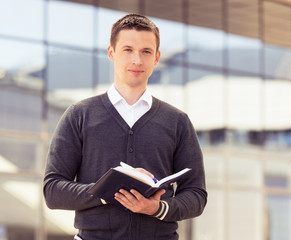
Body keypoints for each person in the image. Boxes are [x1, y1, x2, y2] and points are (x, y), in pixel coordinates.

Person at [43, 13, 207, 240]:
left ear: (157, 57)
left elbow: (197, 195)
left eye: (146, 52)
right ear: (112, 53)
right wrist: (108, 190)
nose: (137, 60)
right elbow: (52, 191)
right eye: (127, 50)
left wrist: (157, 208)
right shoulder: (79, 115)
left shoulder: (178, 122)